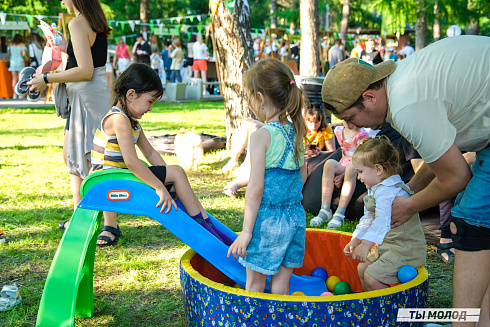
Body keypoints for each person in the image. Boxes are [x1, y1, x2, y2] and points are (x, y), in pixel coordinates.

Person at [321, 36, 490, 327]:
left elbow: (457, 176)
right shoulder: (401, 83)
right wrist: (409, 189)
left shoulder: (406, 107)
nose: (354, 127)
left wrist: (410, 205)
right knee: (482, 227)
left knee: (472, 223)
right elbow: (439, 162)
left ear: (369, 98)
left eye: (352, 117)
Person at [91, 63, 234, 246]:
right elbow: (132, 162)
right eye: (150, 101)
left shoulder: (130, 121)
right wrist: (160, 186)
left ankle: (204, 220)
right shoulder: (119, 120)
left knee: (175, 175)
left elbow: (150, 152)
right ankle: (201, 224)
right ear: (131, 94)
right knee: (177, 173)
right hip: (107, 180)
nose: (150, 108)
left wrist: (168, 178)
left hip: (118, 176)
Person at [28, 0, 112, 230]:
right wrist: (64, 46)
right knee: (72, 158)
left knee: (97, 161)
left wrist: (46, 79)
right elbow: (87, 60)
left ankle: (110, 225)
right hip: (86, 96)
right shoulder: (92, 21)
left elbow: (85, 70)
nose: (62, 1)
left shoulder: (77, 23)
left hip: (88, 98)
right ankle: (81, 217)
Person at [227, 58, 307, 295]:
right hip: (295, 218)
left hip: (268, 222)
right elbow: (302, 176)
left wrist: (247, 232)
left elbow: (255, 190)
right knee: (281, 285)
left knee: (255, 285)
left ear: (260, 98)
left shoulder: (262, 136)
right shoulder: (297, 131)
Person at [344, 136, 426, 291]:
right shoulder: (376, 189)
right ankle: (372, 305)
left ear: (378, 169)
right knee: (362, 269)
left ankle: (388, 310)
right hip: (388, 246)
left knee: (371, 276)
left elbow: (381, 221)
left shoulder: (389, 192)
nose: (359, 177)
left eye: (360, 172)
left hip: (405, 248)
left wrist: (366, 245)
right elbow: (368, 219)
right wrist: (355, 240)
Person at [310, 121, 368, 229]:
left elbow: (359, 159)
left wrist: (341, 176)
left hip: (355, 165)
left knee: (351, 167)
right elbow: (343, 152)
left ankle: (340, 212)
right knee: (329, 163)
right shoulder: (339, 131)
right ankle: (325, 209)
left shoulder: (362, 135)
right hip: (343, 163)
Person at [7, 34, 27, 99]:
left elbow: (9, 53)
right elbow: (24, 54)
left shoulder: (11, 45)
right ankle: (20, 94)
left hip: (13, 62)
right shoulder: (22, 45)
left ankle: (14, 94)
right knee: (20, 78)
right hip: (20, 61)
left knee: (14, 79)